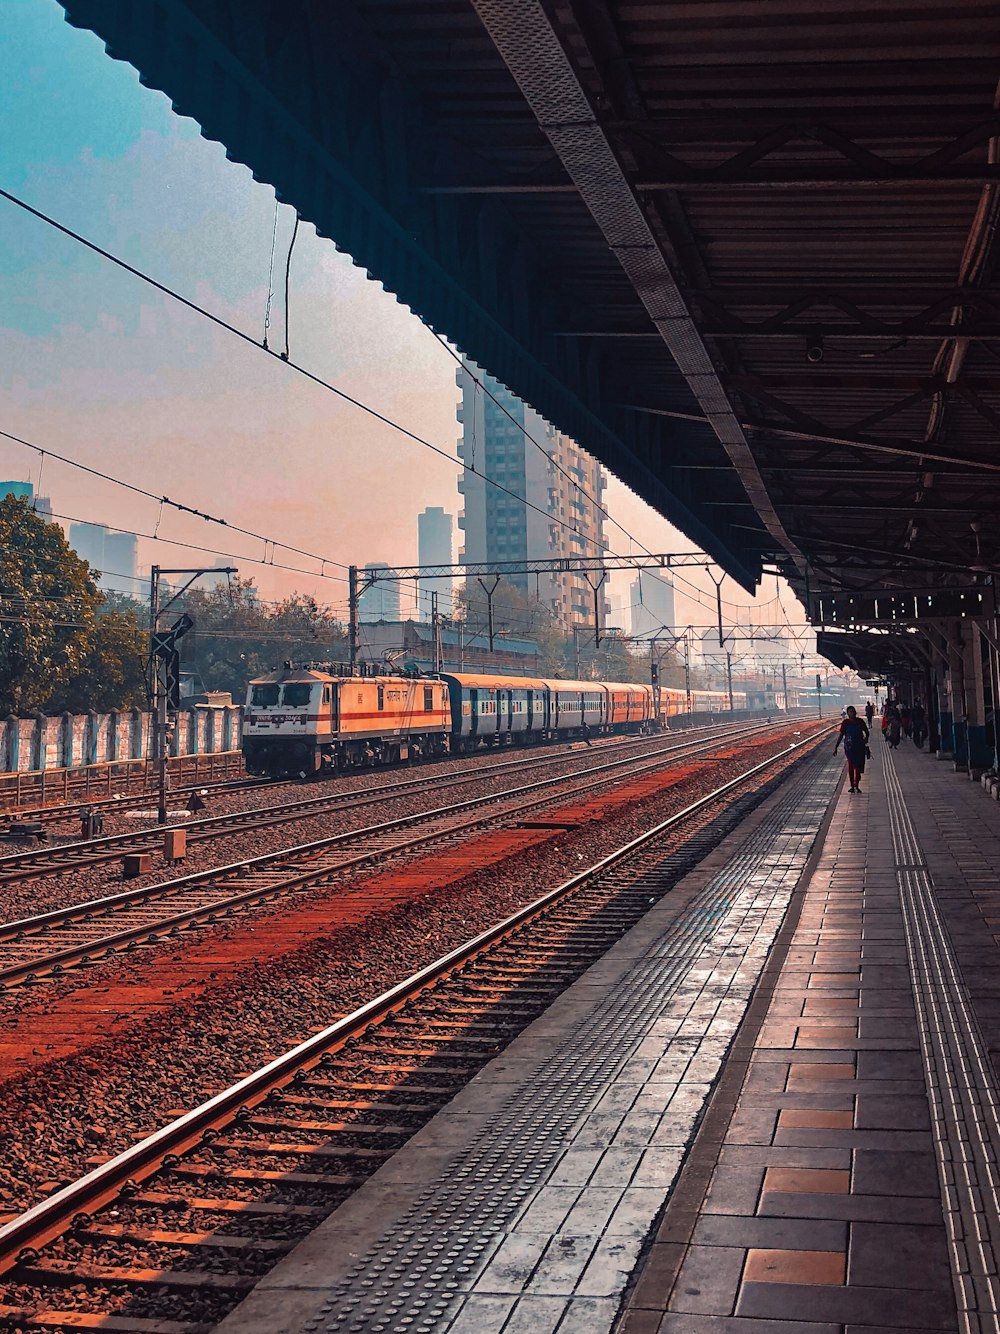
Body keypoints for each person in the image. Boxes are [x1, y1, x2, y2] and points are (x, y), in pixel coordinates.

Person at [834, 705, 870, 793]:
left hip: (859, 747)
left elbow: (867, 732)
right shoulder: (845, 723)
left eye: (853, 711)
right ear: (848, 713)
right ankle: (852, 785)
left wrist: (866, 739)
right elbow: (841, 735)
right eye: (850, 712)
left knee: (857, 766)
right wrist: (836, 746)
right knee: (851, 765)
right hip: (849, 748)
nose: (852, 713)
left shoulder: (860, 721)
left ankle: (856, 784)